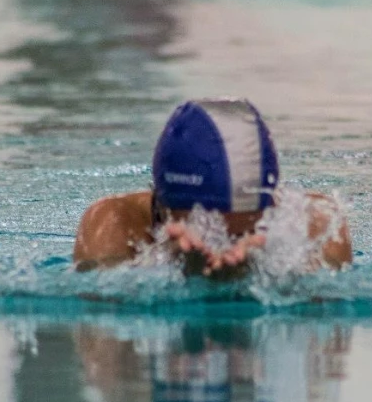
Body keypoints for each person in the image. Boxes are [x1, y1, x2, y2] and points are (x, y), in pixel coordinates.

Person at [73, 97, 352, 277]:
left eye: (245, 231)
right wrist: (180, 271)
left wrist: (256, 277)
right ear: (162, 206)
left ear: (272, 205)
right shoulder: (114, 225)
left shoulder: (317, 224)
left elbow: (324, 343)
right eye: (208, 229)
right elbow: (104, 347)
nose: (223, 247)